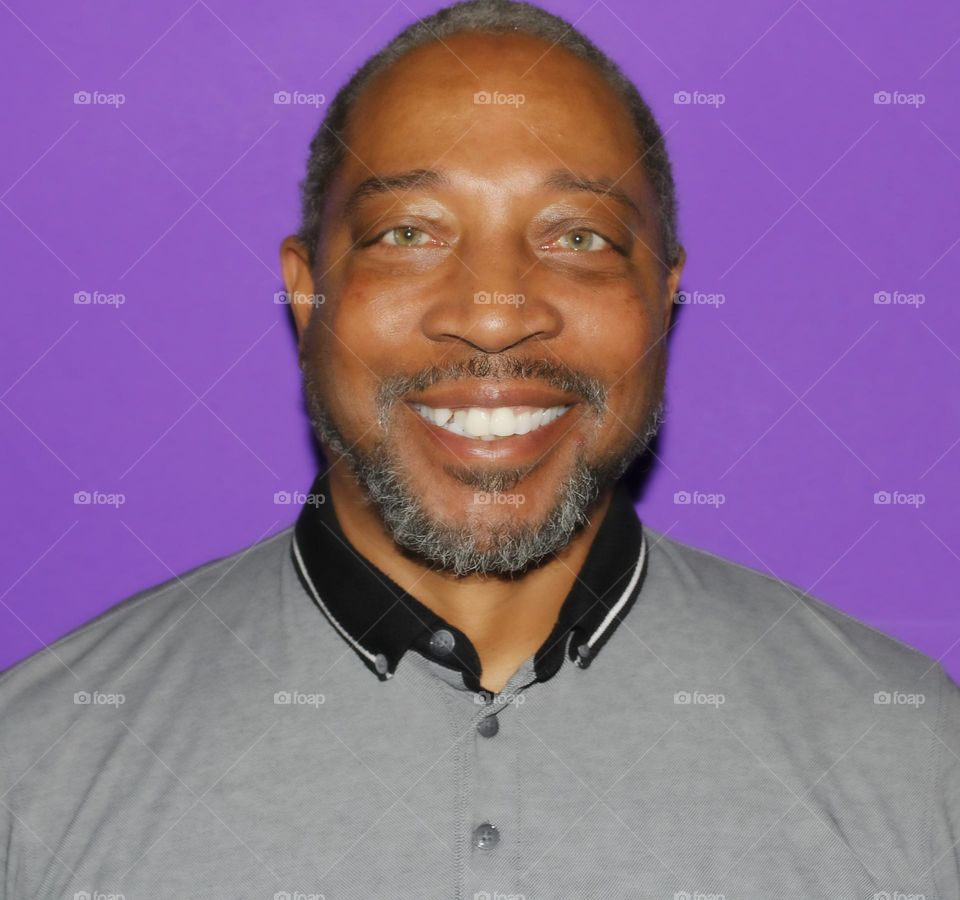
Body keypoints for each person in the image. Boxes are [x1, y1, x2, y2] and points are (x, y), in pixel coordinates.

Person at [2, 1, 957, 897]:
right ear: (307, 293)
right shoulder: (35, 765)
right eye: (408, 232)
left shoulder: (908, 752)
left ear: (665, 297)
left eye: (579, 235)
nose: (494, 315)